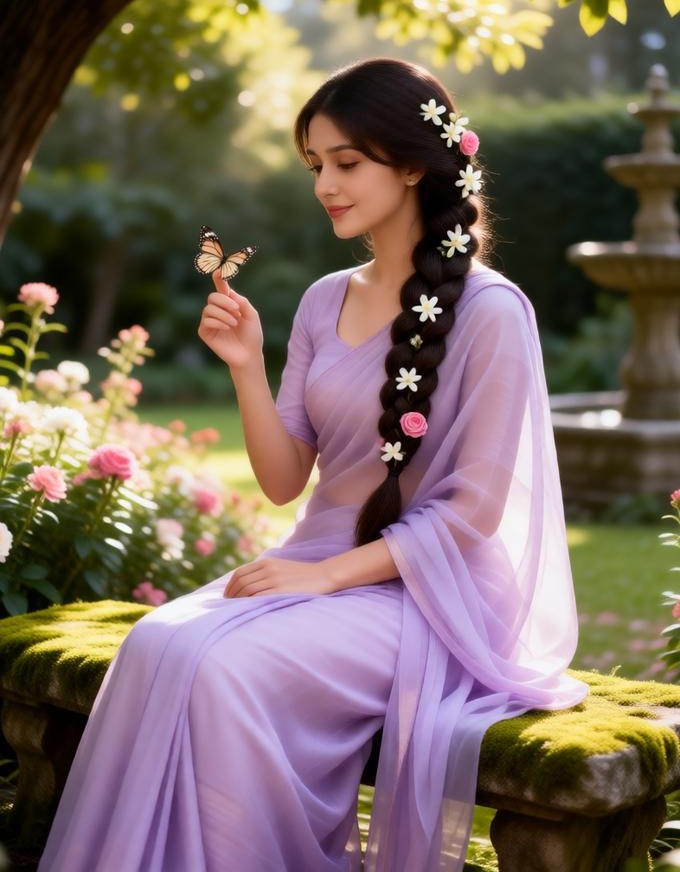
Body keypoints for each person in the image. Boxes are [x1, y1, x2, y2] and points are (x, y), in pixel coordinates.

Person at [37, 57, 588, 872]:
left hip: (428, 597)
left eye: (347, 162)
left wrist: (324, 579)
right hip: (317, 564)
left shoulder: (491, 311)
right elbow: (284, 480)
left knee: (220, 668)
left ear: (412, 165)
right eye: (315, 165)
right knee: (156, 644)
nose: (326, 185)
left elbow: (473, 512)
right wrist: (245, 366)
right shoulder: (324, 299)